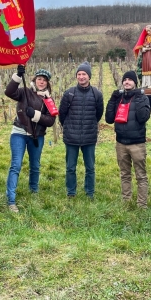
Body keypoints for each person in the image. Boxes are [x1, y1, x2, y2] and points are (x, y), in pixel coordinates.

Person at [4, 65, 56, 212]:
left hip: (37, 136)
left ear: (47, 83)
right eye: (39, 79)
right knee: (16, 165)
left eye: (44, 80)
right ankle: (11, 200)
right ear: (35, 80)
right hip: (19, 132)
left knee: (35, 166)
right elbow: (9, 91)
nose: (41, 82)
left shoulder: (48, 100)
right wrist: (18, 76)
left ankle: (33, 191)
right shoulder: (24, 92)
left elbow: (51, 121)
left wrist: (35, 115)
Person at [105, 70, 151, 208]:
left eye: (130, 80)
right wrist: (112, 100)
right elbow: (108, 119)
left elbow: (144, 117)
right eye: (125, 80)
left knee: (140, 175)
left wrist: (138, 99)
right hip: (121, 143)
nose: (127, 82)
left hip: (137, 143)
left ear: (135, 83)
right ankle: (126, 201)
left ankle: (142, 204)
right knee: (124, 173)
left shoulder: (142, 98)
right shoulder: (118, 98)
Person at [58, 62, 104, 198]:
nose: (81, 77)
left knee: (90, 168)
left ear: (89, 76)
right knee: (70, 167)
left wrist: (90, 125)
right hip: (71, 137)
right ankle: (71, 192)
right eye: (79, 74)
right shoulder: (69, 93)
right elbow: (62, 114)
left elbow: (98, 114)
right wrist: (68, 127)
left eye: (84, 74)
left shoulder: (97, 94)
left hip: (89, 137)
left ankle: (89, 192)